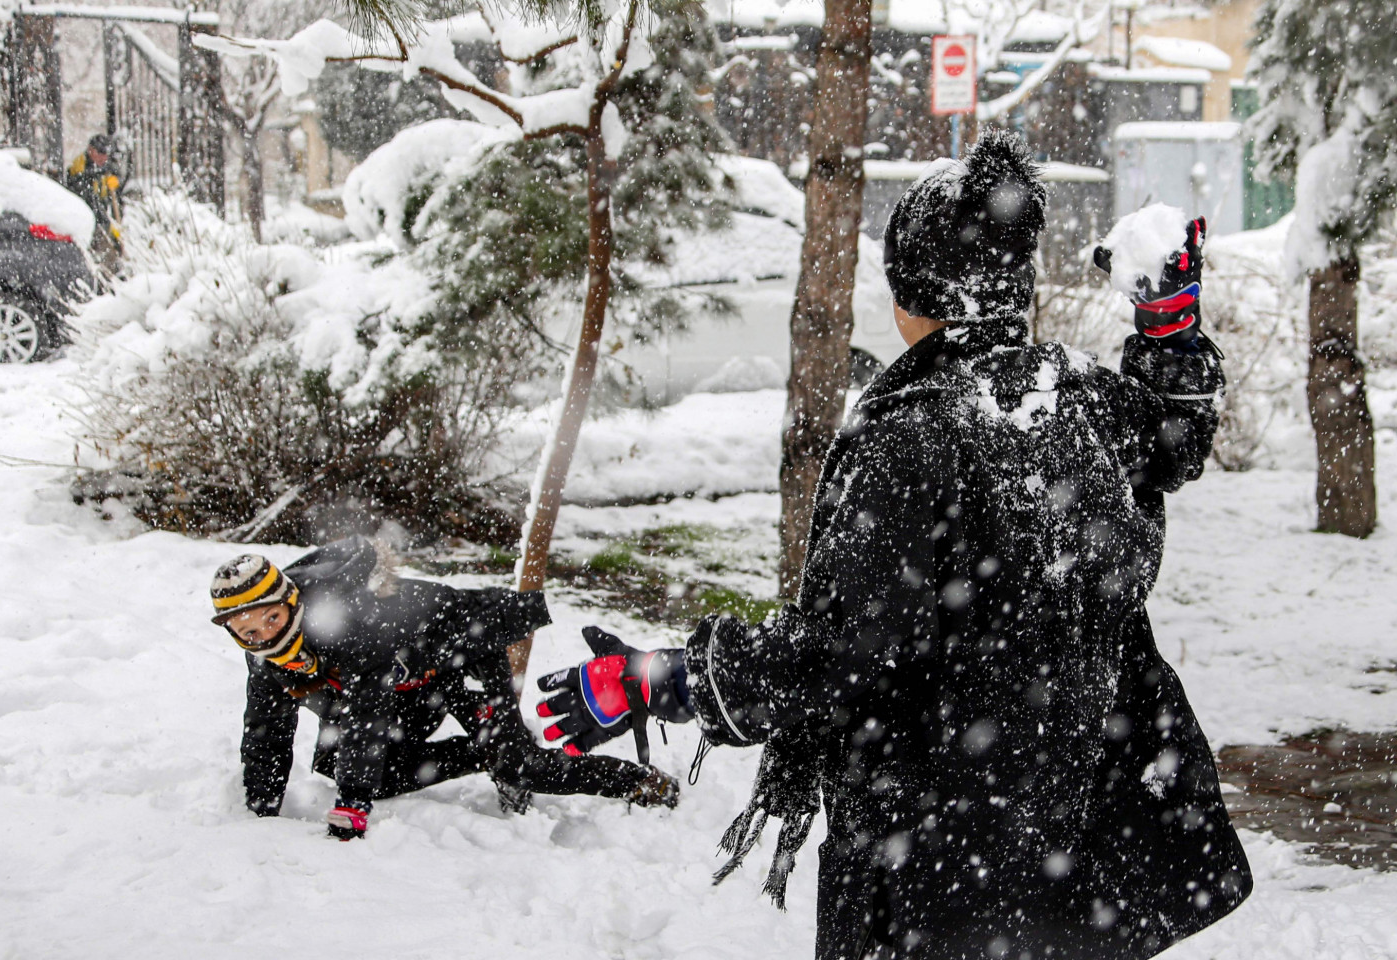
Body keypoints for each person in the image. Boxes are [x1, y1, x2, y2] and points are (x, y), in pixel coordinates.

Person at [536, 131, 1252, 959]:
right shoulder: (1077, 398)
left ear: (915, 294)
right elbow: (1173, 435)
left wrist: (665, 677)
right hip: (1080, 845)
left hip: (948, 866)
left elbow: (839, 657)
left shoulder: (910, 440)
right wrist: (1169, 322)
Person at [211, 536, 678, 841]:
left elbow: (366, 716)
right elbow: (266, 731)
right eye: (248, 631)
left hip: (459, 653)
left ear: (291, 600)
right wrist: (259, 813)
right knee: (342, 765)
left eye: (272, 617)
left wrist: (352, 808)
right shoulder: (265, 658)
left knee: (521, 768)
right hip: (404, 683)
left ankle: (639, 782)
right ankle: (480, 753)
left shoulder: (343, 620)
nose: (265, 635)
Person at [65, 134, 123, 264]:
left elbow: (117, 195)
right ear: (90, 150)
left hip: (102, 217)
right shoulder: (79, 167)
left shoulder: (107, 167)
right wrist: (105, 223)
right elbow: (85, 194)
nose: (104, 157)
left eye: (106, 154)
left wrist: (116, 181)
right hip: (86, 219)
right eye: (100, 153)